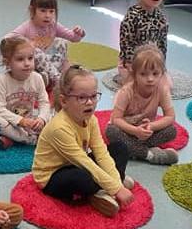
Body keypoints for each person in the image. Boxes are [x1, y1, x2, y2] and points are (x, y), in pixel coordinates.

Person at [33, 65, 132, 218]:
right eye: (82, 97)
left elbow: (101, 153)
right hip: (52, 176)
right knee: (82, 177)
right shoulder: (59, 127)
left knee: (120, 148)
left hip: (76, 164)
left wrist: (116, 184)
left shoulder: (91, 119)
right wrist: (117, 188)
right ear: (64, 101)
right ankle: (98, 193)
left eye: (93, 96)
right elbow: (84, 162)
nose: (90, 102)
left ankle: (105, 188)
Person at [105, 44, 178, 165]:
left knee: (171, 130)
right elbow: (116, 119)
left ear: (162, 74)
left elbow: (170, 116)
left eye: (155, 74)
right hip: (127, 130)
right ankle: (149, 155)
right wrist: (135, 131)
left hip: (147, 132)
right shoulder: (126, 91)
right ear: (135, 74)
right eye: (143, 74)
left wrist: (151, 126)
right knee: (111, 131)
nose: (150, 79)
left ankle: (132, 149)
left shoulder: (162, 90)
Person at [6, 0, 85, 94]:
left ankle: (49, 79)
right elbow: (7, 38)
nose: (47, 15)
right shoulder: (27, 26)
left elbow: (72, 38)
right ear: (32, 10)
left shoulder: (53, 25)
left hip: (49, 66)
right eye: (43, 11)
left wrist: (79, 33)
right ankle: (57, 79)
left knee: (61, 42)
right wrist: (28, 44)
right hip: (31, 66)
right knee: (35, 51)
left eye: (51, 11)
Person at [0, 35, 51, 149]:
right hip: (10, 122)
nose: (27, 63)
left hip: (31, 121)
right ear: (7, 62)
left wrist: (41, 119)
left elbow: (44, 103)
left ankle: (13, 139)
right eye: (20, 59)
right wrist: (20, 121)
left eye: (30, 58)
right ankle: (30, 139)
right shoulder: (3, 80)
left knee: (55, 119)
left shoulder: (37, 78)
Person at [117, 0, 173, 90]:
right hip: (133, 63)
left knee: (166, 86)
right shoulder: (132, 16)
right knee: (135, 87)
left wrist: (161, 66)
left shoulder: (161, 18)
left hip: (153, 62)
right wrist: (132, 66)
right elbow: (126, 44)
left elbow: (163, 45)